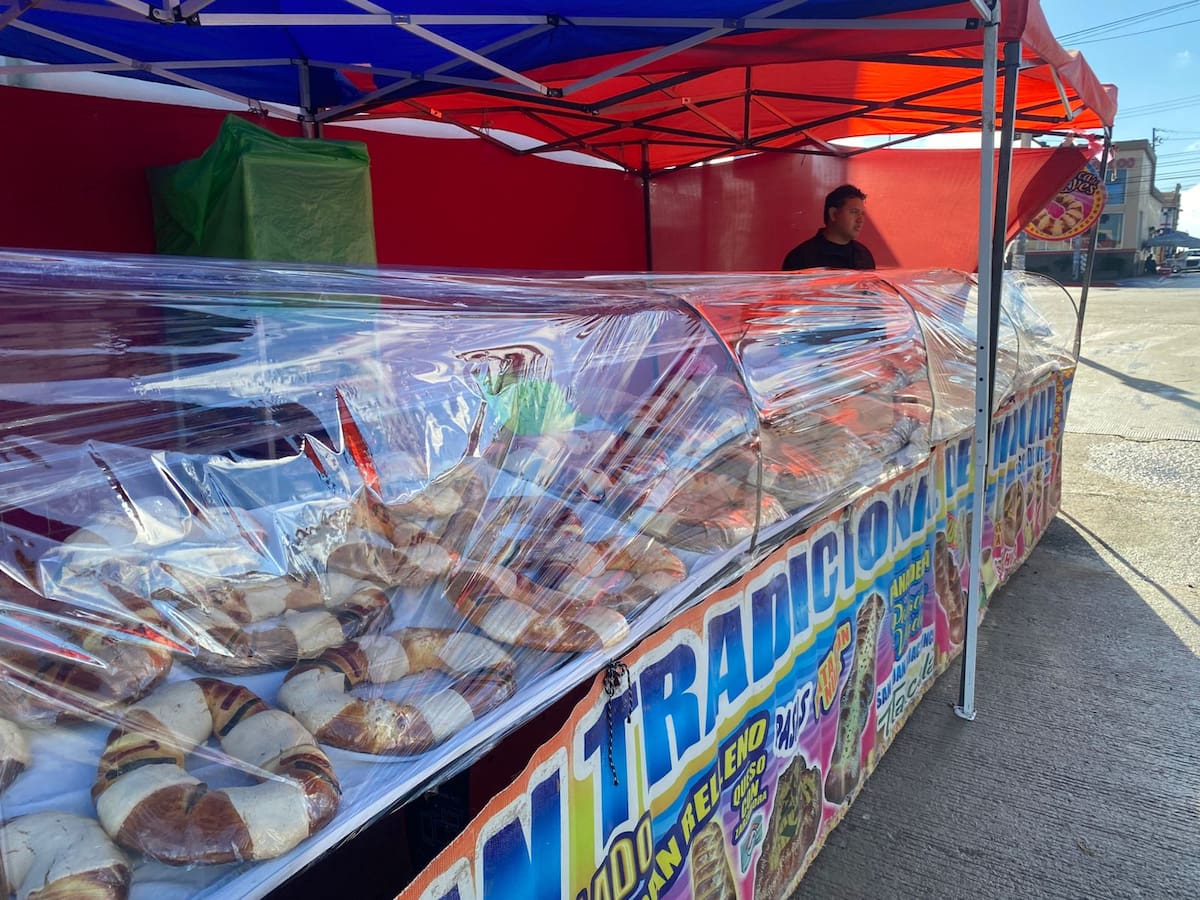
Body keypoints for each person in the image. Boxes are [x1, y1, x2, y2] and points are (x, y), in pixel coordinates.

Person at [782, 183, 876, 271]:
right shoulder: (800, 258)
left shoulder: (864, 256)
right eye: (854, 212)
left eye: (862, 214)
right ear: (833, 214)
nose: (860, 220)